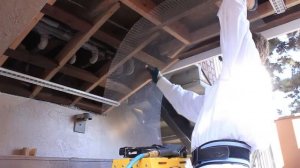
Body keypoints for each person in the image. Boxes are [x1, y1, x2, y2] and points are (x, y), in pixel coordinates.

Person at [147, 0, 274, 167]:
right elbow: (187, 104)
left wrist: (247, 3)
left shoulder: (248, 67)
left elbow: (234, 20)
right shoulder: (228, 97)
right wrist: (160, 81)